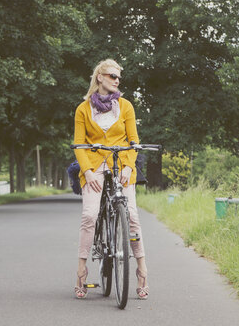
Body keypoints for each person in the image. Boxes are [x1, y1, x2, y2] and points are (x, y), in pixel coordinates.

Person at [73, 59, 149, 300]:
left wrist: (128, 166)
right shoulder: (83, 109)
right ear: (100, 78)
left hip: (121, 164)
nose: (117, 81)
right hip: (94, 166)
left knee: (133, 216)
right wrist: (86, 171)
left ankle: (142, 270)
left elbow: (133, 141)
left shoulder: (125, 106)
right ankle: (81, 271)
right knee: (90, 215)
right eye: (112, 76)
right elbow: (78, 145)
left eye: (118, 77)